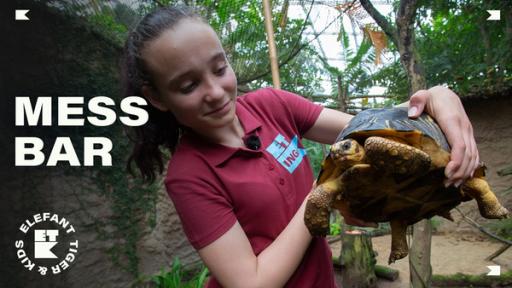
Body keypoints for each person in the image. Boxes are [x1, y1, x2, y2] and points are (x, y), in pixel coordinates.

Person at [121, 6, 479, 288]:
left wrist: (437, 97)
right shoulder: (190, 176)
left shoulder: (271, 105)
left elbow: (368, 129)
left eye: (219, 68)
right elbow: (251, 282)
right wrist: (325, 192)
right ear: (157, 98)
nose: (214, 92)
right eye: (187, 86)